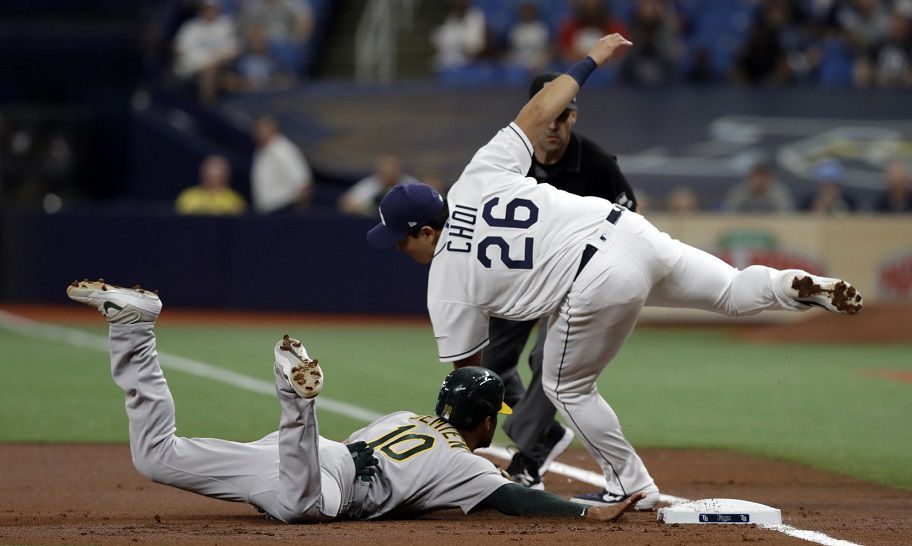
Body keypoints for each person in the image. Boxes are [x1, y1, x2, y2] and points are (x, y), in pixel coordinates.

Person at [365, 33, 863, 511]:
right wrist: (593, 58)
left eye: (400, 238)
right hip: (627, 230)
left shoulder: (446, 283)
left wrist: (468, 437)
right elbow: (539, 112)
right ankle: (791, 285)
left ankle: (632, 485)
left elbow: (471, 376)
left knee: (567, 388)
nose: (399, 248)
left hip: (596, 276)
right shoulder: (477, 174)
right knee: (733, 289)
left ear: (427, 232)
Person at [64, 279, 643, 523]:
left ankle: (134, 331)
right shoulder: (467, 466)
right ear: (488, 421)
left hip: (308, 457)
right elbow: (517, 501)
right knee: (299, 510)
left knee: (156, 457)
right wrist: (587, 511)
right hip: (322, 480)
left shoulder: (406, 417)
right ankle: (295, 396)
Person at [484, 71, 639, 491]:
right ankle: (545, 432)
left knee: (546, 362)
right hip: (520, 278)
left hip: (574, 280)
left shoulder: (596, 163)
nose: (553, 126)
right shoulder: (506, 158)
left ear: (573, 117)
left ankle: (529, 457)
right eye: (547, 116)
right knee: (489, 366)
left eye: (562, 116)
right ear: (531, 116)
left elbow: (630, 223)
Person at [172, 0, 240, 103]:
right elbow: (177, 48)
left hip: (218, 65)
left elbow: (234, 50)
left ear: (218, 9)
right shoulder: (191, 27)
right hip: (193, 66)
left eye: (212, 9)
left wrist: (214, 62)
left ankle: (207, 105)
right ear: (202, 10)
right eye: (207, 9)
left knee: (209, 74)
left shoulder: (225, 25)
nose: (210, 12)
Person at [251, 116, 313, 214]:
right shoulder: (260, 151)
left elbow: (302, 179)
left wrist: (300, 209)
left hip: (284, 208)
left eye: (262, 129)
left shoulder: (283, 149)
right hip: (267, 209)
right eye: (257, 129)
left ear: (273, 129)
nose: (259, 132)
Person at [338, 154, 419, 217]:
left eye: (391, 171)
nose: (388, 175)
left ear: (398, 170)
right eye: (385, 172)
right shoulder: (370, 185)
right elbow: (345, 203)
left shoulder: (411, 184)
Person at [175, 154, 247, 215]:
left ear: (226, 178)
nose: (213, 181)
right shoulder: (188, 197)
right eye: (209, 177)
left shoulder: (234, 201)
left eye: (217, 177)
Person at [431, 0, 488, 70]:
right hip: (449, 65)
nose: (458, 2)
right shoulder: (450, 19)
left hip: (470, 66)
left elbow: (476, 49)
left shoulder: (477, 17)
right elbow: (440, 46)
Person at [721, 161, 796, 213]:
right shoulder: (739, 192)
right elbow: (728, 213)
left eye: (764, 177)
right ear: (750, 178)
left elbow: (787, 214)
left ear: (770, 178)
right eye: (757, 177)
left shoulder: (779, 192)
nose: (760, 181)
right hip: (744, 226)